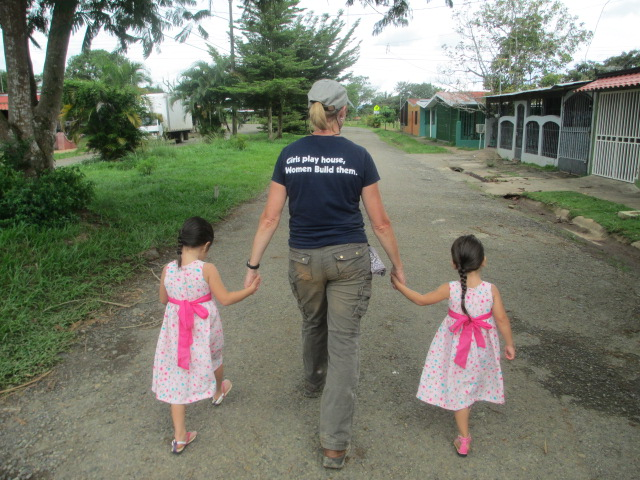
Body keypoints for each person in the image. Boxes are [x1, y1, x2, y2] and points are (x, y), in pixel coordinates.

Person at [244, 79, 405, 469]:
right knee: (345, 343)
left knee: (313, 321)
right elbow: (380, 223)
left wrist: (252, 266)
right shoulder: (359, 156)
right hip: (350, 258)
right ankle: (334, 445)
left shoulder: (289, 154)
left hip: (302, 260)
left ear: (313, 110)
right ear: (343, 112)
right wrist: (398, 265)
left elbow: (270, 217)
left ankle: (314, 380)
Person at [391, 234, 515, 457]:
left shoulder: (450, 288)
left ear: (454, 264)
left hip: (456, 349)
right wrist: (509, 344)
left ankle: (464, 438)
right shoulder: (490, 289)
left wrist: (400, 286)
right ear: (484, 260)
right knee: (471, 380)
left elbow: (421, 299)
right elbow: (502, 319)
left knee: (461, 388)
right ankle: (466, 407)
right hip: (481, 348)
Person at [152, 216, 260, 454]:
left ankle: (180, 437)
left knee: (176, 375)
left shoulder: (167, 269)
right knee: (214, 356)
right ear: (206, 245)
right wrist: (249, 291)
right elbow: (225, 298)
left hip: (176, 332)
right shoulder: (207, 269)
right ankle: (218, 392)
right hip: (204, 328)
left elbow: (163, 299)